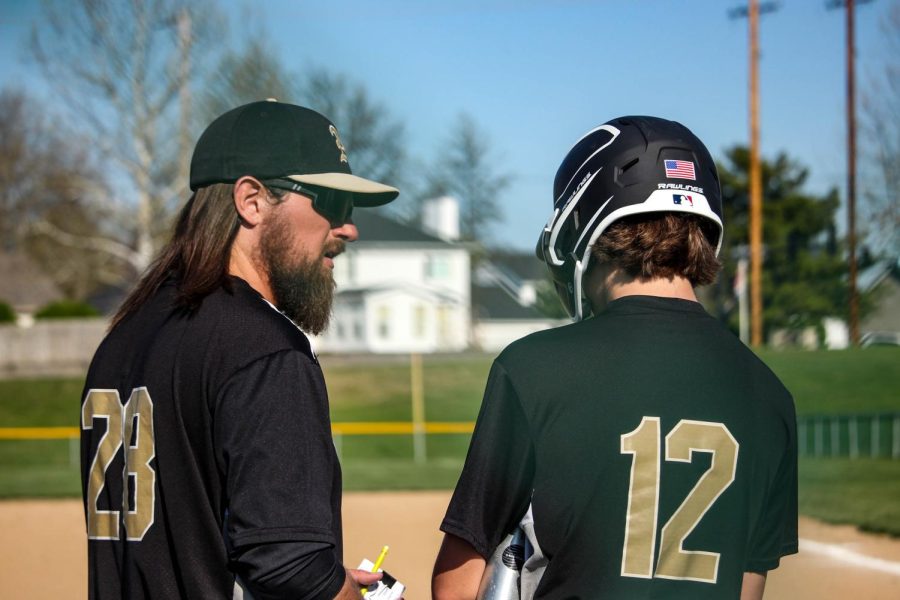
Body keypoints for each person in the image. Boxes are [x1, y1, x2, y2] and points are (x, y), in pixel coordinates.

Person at [432, 116, 798, 599]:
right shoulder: (770, 395)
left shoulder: (534, 369)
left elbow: (455, 587)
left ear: (580, 226)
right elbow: (747, 590)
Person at [80, 99, 399, 599]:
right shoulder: (263, 351)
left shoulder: (126, 337)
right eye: (332, 204)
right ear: (251, 200)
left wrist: (331, 577)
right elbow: (290, 565)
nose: (348, 228)